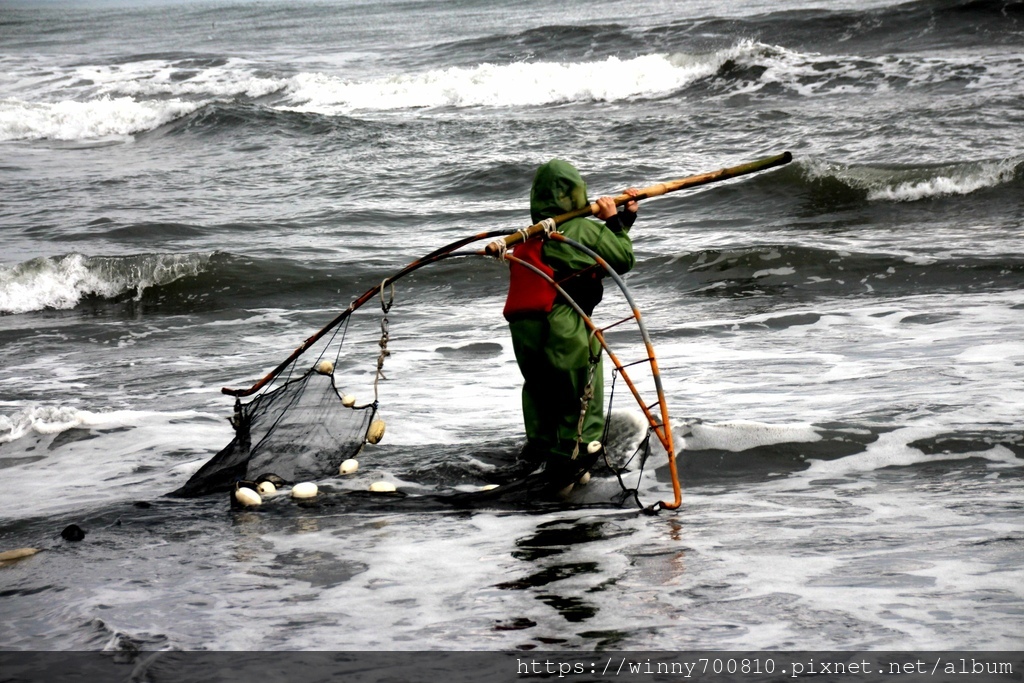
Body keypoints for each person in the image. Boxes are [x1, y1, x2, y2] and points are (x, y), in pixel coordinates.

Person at [503, 159, 638, 492]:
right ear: (578, 192)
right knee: (580, 387)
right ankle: (575, 456)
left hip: (524, 326)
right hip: (562, 320)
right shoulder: (582, 228)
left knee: (541, 388)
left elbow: (589, 260)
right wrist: (612, 221)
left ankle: (538, 451)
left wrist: (624, 219)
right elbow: (621, 259)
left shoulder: (530, 237)